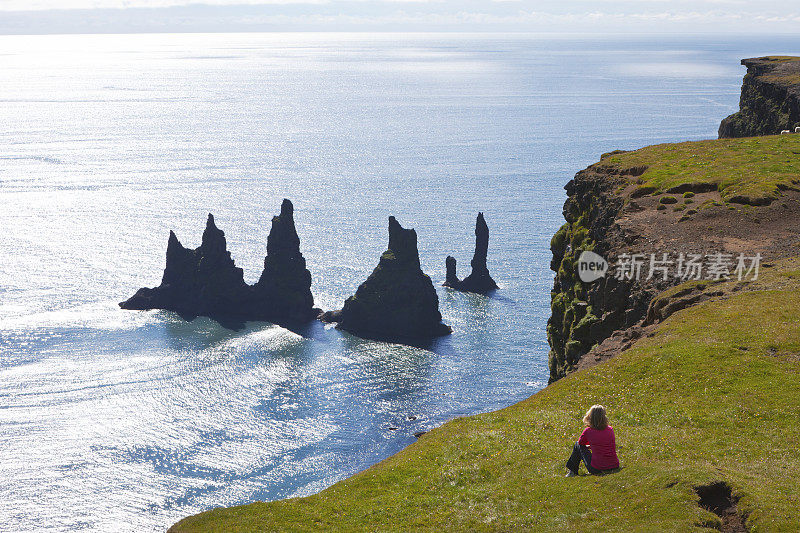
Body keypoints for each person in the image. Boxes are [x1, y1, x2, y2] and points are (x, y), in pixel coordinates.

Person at [565, 404, 619, 477]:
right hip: (614, 465)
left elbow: (581, 443)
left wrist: (591, 445)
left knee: (577, 444)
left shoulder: (588, 431)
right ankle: (572, 471)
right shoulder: (610, 429)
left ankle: (572, 471)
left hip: (597, 469)